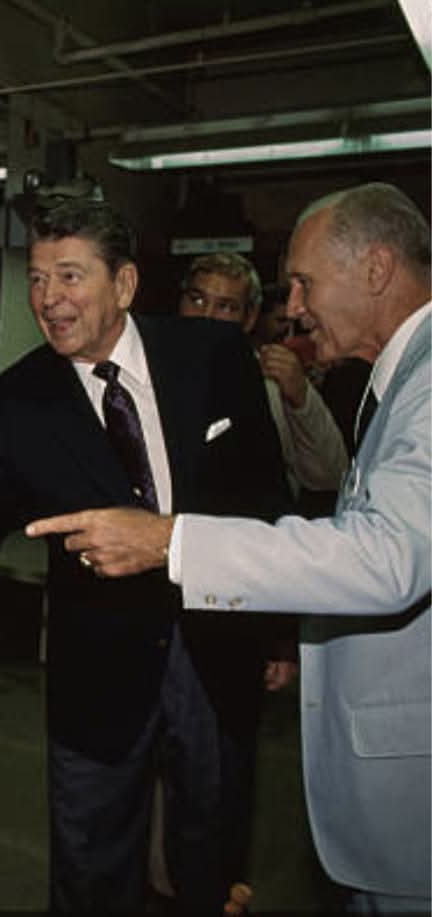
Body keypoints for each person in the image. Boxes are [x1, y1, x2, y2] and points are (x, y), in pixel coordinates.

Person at [26, 182, 431, 915]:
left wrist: (172, 541)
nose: (296, 307)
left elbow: (386, 554)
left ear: (375, 269)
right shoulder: (399, 376)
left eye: (305, 282)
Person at [0, 197, 293, 915]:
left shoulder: (212, 357)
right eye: (38, 280)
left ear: (125, 285)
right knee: (90, 873)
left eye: (70, 277)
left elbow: (265, 494)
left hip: (217, 653)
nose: (48, 299)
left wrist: (279, 631)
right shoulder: (17, 402)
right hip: (97, 678)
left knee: (208, 861)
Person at [179, 251, 349, 499]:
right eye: (197, 300)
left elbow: (331, 475)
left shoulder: (273, 380)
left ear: (249, 318)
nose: (207, 316)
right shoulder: (146, 370)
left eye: (225, 306)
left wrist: (300, 400)